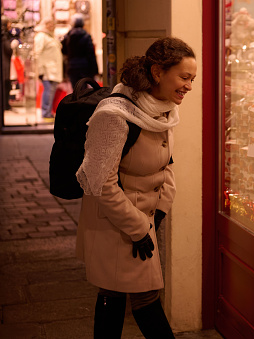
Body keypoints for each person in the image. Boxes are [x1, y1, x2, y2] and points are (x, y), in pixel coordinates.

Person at [75, 37, 197, 338]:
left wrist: (160, 210)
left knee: (115, 292)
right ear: (158, 72)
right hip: (116, 222)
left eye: (192, 79)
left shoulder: (163, 110)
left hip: (143, 219)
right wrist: (139, 227)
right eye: (184, 77)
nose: (189, 86)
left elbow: (166, 163)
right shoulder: (113, 116)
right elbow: (100, 183)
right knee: (142, 297)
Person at [34, 17, 63, 119]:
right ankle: (45, 112)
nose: (52, 26)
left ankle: (48, 112)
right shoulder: (41, 36)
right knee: (48, 91)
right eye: (49, 24)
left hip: (54, 70)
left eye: (53, 24)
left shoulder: (51, 36)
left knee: (51, 92)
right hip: (47, 70)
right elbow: (37, 54)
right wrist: (40, 70)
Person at [61, 13, 98, 88]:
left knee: (75, 90)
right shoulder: (86, 36)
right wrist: (95, 69)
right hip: (84, 67)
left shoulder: (68, 36)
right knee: (84, 90)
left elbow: (63, 51)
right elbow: (90, 54)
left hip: (72, 67)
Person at [1, 16, 13, 111]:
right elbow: (8, 49)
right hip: (5, 64)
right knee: (5, 85)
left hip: (4, 64)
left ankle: (5, 105)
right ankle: (5, 105)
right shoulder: (5, 35)